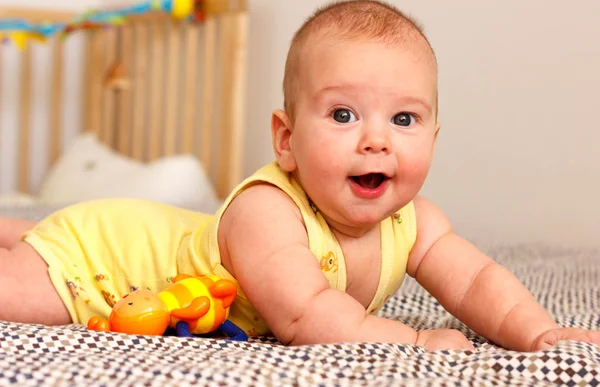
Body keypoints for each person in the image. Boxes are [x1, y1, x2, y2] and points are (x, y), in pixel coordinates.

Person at [1, 0, 598, 351]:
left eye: (405, 118)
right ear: (286, 140)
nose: (376, 138)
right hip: (106, 256)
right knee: (21, 292)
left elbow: (475, 285)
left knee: (28, 232)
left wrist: (540, 334)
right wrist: (412, 344)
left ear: (433, 139)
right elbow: (305, 314)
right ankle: (32, 236)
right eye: (343, 114)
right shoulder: (268, 212)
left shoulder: (418, 223)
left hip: (144, 230)